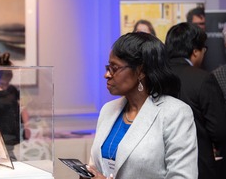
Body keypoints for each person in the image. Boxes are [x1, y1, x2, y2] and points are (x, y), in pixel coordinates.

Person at [83, 32, 198, 179]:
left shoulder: (176, 113)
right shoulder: (108, 110)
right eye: (108, 67)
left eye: (114, 68)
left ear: (140, 71)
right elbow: (97, 166)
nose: (107, 74)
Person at [165, 22, 226, 179]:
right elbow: (219, 131)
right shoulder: (202, 79)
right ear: (195, 52)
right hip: (198, 166)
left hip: (162, 165)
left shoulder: (155, 78)